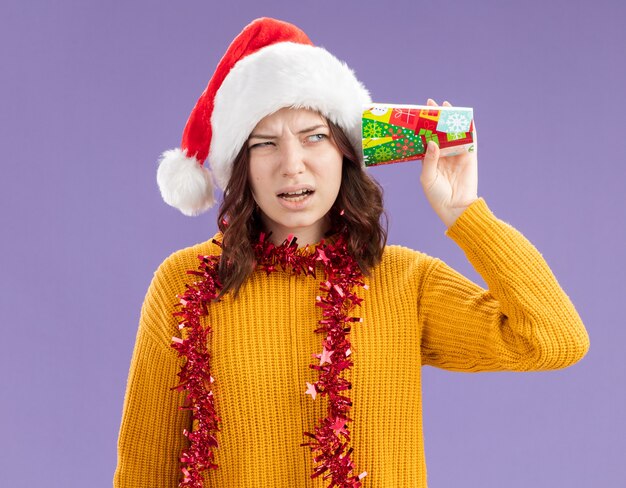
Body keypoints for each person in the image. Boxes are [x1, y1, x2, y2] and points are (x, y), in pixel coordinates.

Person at [113, 17, 590, 488]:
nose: (291, 165)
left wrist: (465, 213)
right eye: (265, 144)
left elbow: (553, 339)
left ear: (345, 150)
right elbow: (142, 472)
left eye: (314, 136)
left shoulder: (404, 281)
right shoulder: (184, 284)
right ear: (240, 165)